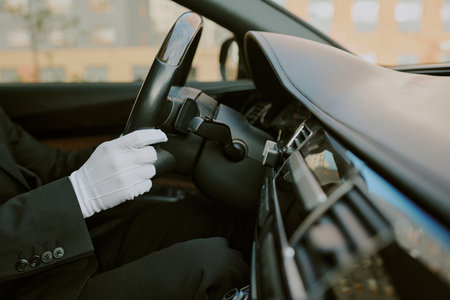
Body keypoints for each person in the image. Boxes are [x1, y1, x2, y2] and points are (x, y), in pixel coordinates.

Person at [0, 107, 253, 299]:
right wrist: (80, 192)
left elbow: (51, 168)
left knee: (211, 215)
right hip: (23, 288)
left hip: (63, 250)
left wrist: (128, 147)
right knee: (211, 267)